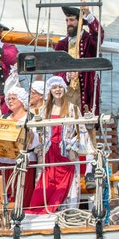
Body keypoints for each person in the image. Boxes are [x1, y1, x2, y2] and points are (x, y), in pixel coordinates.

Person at [29, 76, 90, 214]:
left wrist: (74, 147)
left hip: (66, 153)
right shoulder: (44, 110)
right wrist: (40, 148)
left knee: (67, 186)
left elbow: (82, 131)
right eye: (54, 88)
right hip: (49, 153)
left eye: (60, 87)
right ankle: (47, 210)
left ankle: (67, 211)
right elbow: (38, 132)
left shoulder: (73, 109)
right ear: (50, 91)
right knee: (47, 183)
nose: (57, 90)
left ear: (64, 89)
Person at [0, 85, 40, 206]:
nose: (10, 101)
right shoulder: (4, 117)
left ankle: (20, 210)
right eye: (8, 99)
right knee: (0, 193)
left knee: (20, 193)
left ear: (22, 100)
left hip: (22, 161)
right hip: (3, 160)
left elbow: (35, 142)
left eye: (13, 98)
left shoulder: (31, 118)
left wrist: (27, 135)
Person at [54, 5, 105, 115]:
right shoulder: (62, 44)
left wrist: (88, 14)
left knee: (87, 119)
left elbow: (99, 36)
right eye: (67, 20)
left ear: (80, 22)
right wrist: (66, 75)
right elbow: (56, 69)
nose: (69, 23)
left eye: (72, 20)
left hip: (86, 89)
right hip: (67, 91)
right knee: (67, 119)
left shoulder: (89, 40)